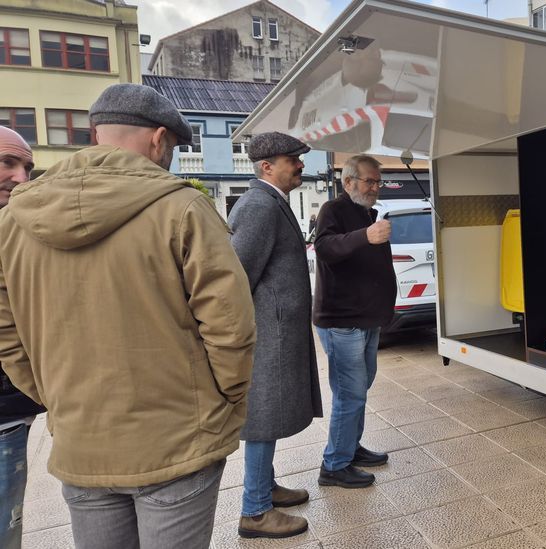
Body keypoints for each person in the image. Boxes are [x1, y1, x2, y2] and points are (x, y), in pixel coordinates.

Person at [0, 84, 256, 549]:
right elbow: (231, 326)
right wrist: (224, 400)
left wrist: (57, 397)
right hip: (177, 438)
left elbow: (7, 337)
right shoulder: (183, 208)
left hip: (82, 441)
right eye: (174, 148)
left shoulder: (13, 221)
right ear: (158, 140)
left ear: (96, 134)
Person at [228, 132, 323, 539]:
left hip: (277, 330)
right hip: (269, 334)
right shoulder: (257, 206)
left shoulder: (270, 202)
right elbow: (237, 276)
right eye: (292, 159)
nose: (300, 165)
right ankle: (255, 510)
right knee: (264, 418)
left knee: (271, 413)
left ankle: (264, 488)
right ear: (267, 166)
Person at [313, 154, 395, 488]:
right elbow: (325, 248)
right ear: (348, 182)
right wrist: (366, 236)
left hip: (366, 319)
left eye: (378, 181)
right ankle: (334, 465)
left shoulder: (366, 212)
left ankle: (349, 448)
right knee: (350, 393)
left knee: (360, 388)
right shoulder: (333, 211)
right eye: (369, 181)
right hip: (342, 321)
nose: (376, 187)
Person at [0, 126, 43, 549]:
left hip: (8, 415)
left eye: (26, 166)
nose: (20, 177)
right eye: (8, 162)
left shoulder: (17, 229)